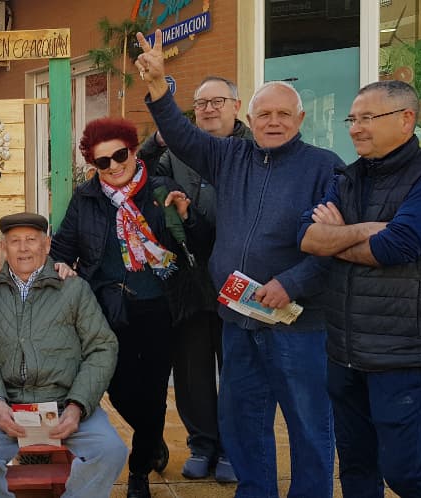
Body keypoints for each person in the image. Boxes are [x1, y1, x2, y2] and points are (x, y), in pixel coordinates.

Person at [136, 31, 340, 497]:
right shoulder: (230, 156)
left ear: (301, 118)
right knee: (244, 420)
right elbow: (183, 136)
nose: (273, 121)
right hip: (239, 317)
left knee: (309, 425)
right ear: (250, 117)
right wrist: (158, 86)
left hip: (298, 324)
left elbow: (335, 249)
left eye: (283, 113)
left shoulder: (324, 167)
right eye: (264, 114)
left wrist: (291, 283)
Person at [300, 80, 421, 497]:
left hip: (402, 354)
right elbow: (307, 236)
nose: (355, 128)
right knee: (356, 470)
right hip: (344, 351)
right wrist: (358, 233)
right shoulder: (349, 177)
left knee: (405, 474)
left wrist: (338, 237)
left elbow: (396, 246)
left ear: (406, 119)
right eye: (352, 119)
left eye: (367, 118)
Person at [50, 117, 211, 497]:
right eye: (102, 162)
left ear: (133, 150)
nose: (114, 166)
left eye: (119, 155)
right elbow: (61, 249)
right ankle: (152, 438)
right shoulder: (85, 199)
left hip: (161, 307)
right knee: (119, 388)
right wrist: (57, 265)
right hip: (107, 309)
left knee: (154, 391)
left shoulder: (160, 189)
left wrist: (186, 216)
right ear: (94, 166)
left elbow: (201, 243)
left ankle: (139, 471)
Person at [0, 212, 128, 498]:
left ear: (47, 245)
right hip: (9, 404)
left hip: (65, 403)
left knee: (111, 450)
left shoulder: (74, 288)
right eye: (15, 241)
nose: (24, 248)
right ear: (3, 248)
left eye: (31, 240)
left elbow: (102, 347)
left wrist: (78, 404)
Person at [156, 76, 253, 482]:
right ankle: (202, 442)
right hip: (191, 280)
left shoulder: (254, 152)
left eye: (218, 101)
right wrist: (172, 193)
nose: (209, 109)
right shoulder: (180, 150)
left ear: (236, 105)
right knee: (192, 369)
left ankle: (235, 447)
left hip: (241, 280)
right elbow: (150, 175)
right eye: (201, 103)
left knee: (238, 369)